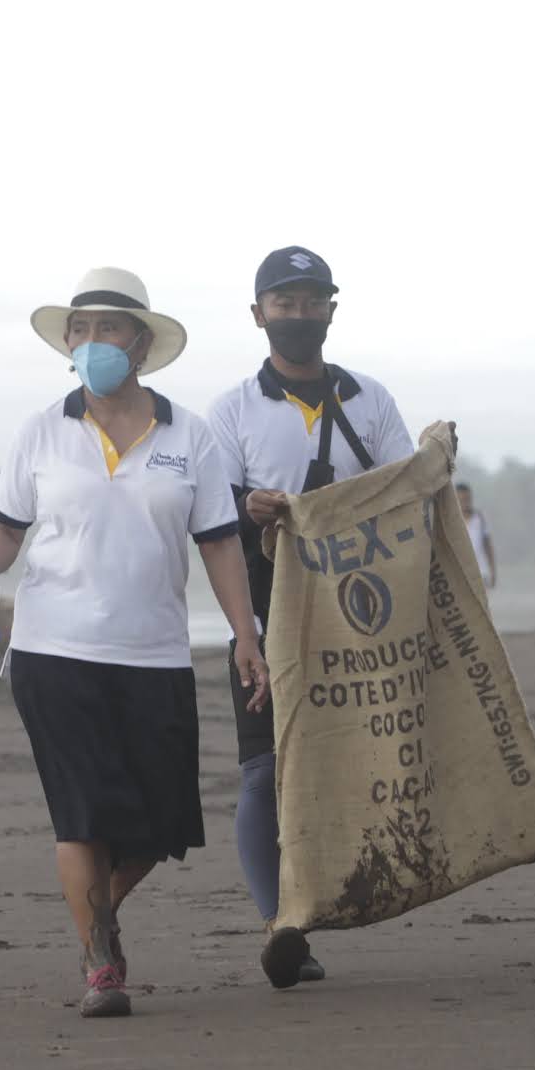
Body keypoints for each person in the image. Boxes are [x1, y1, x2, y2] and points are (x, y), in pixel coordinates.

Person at [0, 267, 264, 1019]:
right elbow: (7, 528)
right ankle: (100, 959)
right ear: (69, 343)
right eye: (82, 329)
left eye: (109, 329)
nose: (94, 342)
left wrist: (246, 633)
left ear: (140, 343)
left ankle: (97, 915)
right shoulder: (41, 431)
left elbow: (221, 545)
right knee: (83, 813)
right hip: (53, 650)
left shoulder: (188, 434)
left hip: (154, 651)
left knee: (160, 826)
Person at [205, 245, 415, 989]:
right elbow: (209, 520)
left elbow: (406, 494)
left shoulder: (371, 399)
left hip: (360, 618)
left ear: (332, 306)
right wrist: (246, 506)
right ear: (258, 313)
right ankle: (284, 922)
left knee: (352, 766)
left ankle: (336, 895)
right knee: (264, 770)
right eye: (283, 304)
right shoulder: (230, 412)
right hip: (263, 616)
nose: (297, 316)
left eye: (310, 302)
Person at [456, 482, 497, 588]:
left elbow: (488, 546)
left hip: (480, 572)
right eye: (461, 499)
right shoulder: (451, 522)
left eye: (467, 499)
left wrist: (493, 571)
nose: (465, 502)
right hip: (459, 573)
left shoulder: (480, 518)